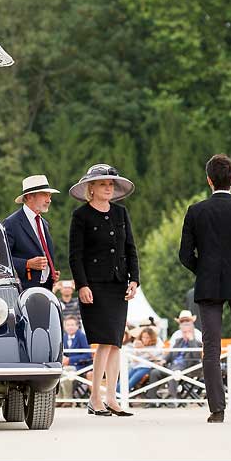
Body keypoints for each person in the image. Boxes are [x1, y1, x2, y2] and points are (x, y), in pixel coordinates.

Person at [179, 154, 231, 423]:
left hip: (209, 283)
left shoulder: (196, 211)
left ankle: (216, 410)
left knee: (211, 347)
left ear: (209, 180)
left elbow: (185, 254)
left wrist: (202, 270)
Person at [69, 163, 139, 417]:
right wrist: (82, 285)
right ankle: (95, 398)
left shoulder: (121, 213)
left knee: (116, 343)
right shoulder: (81, 216)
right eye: (103, 184)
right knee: (105, 342)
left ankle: (112, 397)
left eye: (111, 184)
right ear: (91, 188)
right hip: (95, 286)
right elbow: (75, 255)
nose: (108, 188)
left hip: (119, 283)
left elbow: (130, 248)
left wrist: (135, 280)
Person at [4, 175, 61, 291]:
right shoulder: (11, 223)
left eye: (49, 196)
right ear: (29, 197)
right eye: (45, 195)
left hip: (45, 288)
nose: (49, 200)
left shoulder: (43, 223)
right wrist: (27, 264)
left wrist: (50, 272)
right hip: (22, 291)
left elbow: (44, 253)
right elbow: (1, 259)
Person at [145, 320, 203, 405]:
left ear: (192, 332)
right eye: (183, 332)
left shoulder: (197, 343)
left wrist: (191, 340)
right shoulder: (178, 341)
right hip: (173, 366)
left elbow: (196, 356)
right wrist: (164, 360)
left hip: (187, 368)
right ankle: (152, 399)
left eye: (187, 332)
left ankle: (174, 398)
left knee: (174, 372)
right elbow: (171, 354)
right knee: (155, 372)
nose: (185, 334)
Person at [119, 326, 164, 393]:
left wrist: (144, 349)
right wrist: (137, 350)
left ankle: (121, 398)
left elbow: (156, 358)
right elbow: (134, 360)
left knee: (130, 383)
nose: (145, 339)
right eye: (143, 337)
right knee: (122, 382)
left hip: (145, 367)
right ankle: (117, 397)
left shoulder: (155, 346)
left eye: (147, 337)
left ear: (151, 338)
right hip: (135, 366)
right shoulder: (138, 345)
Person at [60, 315, 92, 403]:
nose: (70, 327)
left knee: (66, 371)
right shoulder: (64, 337)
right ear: (64, 326)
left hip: (81, 366)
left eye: (72, 325)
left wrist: (70, 360)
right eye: (68, 325)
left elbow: (88, 355)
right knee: (57, 371)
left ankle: (68, 399)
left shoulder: (82, 336)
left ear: (77, 326)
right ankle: (59, 399)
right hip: (67, 365)